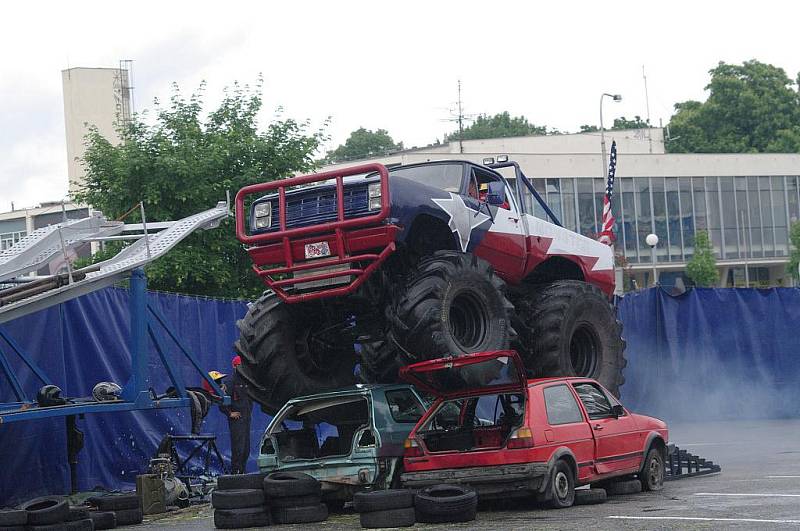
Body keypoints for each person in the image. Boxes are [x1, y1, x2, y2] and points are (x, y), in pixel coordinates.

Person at [220, 355, 253, 474]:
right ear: (234, 366)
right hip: (237, 420)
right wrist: (230, 413)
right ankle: (236, 473)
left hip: (246, 419)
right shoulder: (230, 382)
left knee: (246, 449)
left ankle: (242, 472)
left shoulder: (249, 381)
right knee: (238, 448)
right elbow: (222, 402)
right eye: (239, 366)